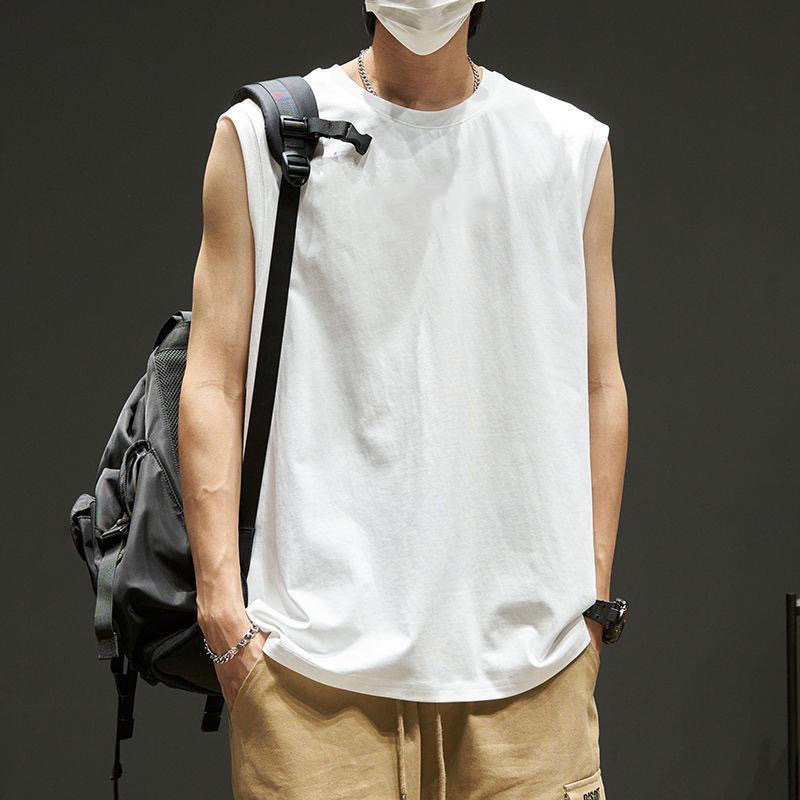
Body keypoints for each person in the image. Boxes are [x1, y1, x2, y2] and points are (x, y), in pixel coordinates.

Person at [178, 1, 628, 798]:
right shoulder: (262, 138)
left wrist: (590, 604)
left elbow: (599, 382)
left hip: (532, 677)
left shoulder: (568, 149)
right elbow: (213, 378)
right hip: (309, 679)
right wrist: (222, 613)